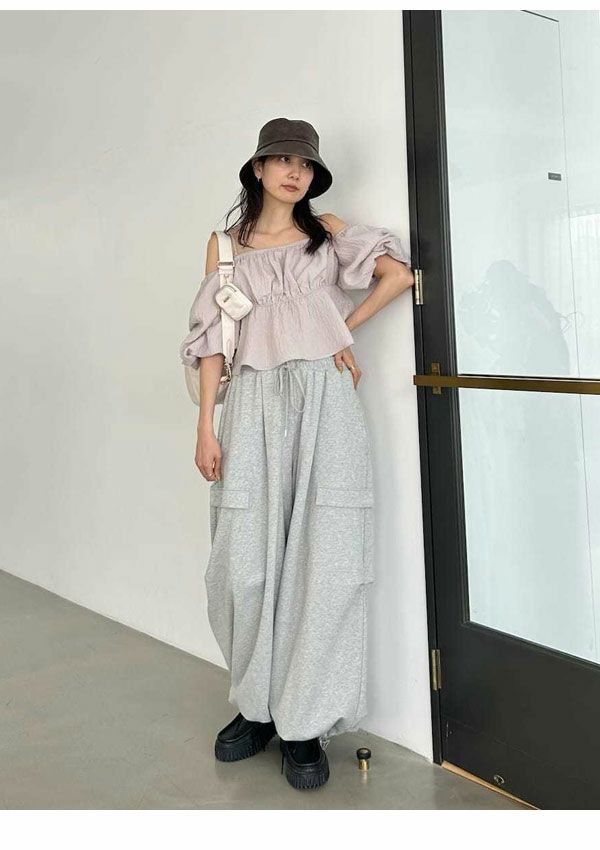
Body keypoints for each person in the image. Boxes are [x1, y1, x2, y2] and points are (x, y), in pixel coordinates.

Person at [179, 117, 413, 791]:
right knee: (243, 565)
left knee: (325, 557)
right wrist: (205, 426)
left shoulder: (327, 233)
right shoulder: (224, 247)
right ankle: (256, 706)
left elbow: (396, 276)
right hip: (251, 402)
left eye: (305, 164)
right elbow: (212, 341)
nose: (294, 173)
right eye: (282, 160)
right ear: (258, 168)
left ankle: (303, 722)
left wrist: (342, 332)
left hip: (324, 398)